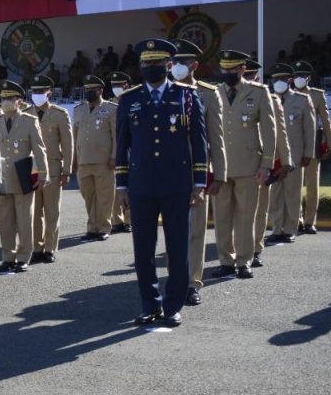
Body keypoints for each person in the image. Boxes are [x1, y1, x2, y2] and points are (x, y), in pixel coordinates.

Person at [115, 38, 208, 327]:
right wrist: (121, 186)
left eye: (155, 63)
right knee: (143, 250)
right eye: (145, 63)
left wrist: (200, 182)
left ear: (168, 65)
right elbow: (122, 145)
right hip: (141, 185)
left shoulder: (187, 96)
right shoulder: (129, 99)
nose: (150, 67)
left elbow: (199, 142)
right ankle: (149, 304)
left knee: (178, 249)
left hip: (176, 184)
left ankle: (172, 306)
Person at [169, 39, 227, 306]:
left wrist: (219, 174)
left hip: (196, 171)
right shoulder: (162, 92)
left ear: (194, 65)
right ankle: (175, 278)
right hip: (167, 171)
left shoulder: (208, 94)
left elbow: (217, 137)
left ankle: (191, 282)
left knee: (195, 230)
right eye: (174, 62)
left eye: (182, 62)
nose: (177, 66)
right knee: (173, 230)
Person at [211, 50, 277, 280]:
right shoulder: (213, 92)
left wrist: (266, 164)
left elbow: (269, 131)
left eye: (232, 69)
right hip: (219, 166)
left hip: (249, 165)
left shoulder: (258, 92)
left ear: (242, 69)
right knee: (222, 217)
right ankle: (225, 261)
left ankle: (243, 261)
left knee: (246, 216)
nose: (227, 73)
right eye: (224, 69)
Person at [0, 81, 49, 274]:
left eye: (10, 98)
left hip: (23, 176)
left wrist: (42, 174)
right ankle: (7, 257)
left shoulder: (29, 121)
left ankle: (24, 256)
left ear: (19, 101)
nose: (6, 102)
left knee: (25, 220)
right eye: (3, 98)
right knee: (5, 222)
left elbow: (40, 149)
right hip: (2, 177)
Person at [248, 60, 291, 268]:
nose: (246, 79)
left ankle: (255, 249)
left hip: (260, 162)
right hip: (232, 163)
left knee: (259, 210)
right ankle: (233, 250)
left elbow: (280, 132)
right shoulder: (221, 95)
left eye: (249, 75)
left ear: (256, 77)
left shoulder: (270, 99)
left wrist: (285, 161)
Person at [268, 62, 315, 243]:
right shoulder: (268, 99)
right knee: (275, 193)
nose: (278, 82)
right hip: (274, 154)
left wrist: (308, 153)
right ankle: (277, 229)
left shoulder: (302, 100)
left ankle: (290, 229)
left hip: (295, 154)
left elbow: (309, 130)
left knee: (292, 192)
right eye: (275, 79)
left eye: (281, 79)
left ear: (289, 80)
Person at [29, 75, 73, 264]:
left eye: (40, 91)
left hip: (53, 167)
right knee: (34, 211)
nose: (37, 94)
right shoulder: (26, 113)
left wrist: (67, 170)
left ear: (49, 93)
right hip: (31, 168)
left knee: (52, 210)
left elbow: (68, 144)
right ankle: (36, 247)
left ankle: (49, 248)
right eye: (34, 91)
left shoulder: (59, 114)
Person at [71, 76, 117, 241]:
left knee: (104, 196)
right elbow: (74, 136)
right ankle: (92, 227)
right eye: (87, 89)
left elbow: (116, 136)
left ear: (100, 90)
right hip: (83, 160)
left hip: (104, 161)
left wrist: (114, 157)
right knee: (88, 196)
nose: (89, 92)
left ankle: (103, 227)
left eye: (93, 89)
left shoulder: (111, 109)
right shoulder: (79, 110)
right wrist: (73, 159)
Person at [294, 61, 331, 234]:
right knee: (294, 185)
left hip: (312, 142)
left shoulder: (317, 95)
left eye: (302, 75)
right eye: (296, 75)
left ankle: (309, 221)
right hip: (293, 144)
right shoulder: (287, 95)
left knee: (312, 185)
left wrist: (329, 144)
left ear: (308, 77)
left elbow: (326, 122)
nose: (299, 78)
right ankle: (297, 219)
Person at [108, 71, 133, 232]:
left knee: (129, 185)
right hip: (114, 148)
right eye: (114, 85)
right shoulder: (110, 104)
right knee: (115, 187)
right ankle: (117, 220)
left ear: (127, 85)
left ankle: (129, 219)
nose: (116, 88)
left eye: (119, 85)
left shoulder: (134, 100)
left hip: (131, 148)